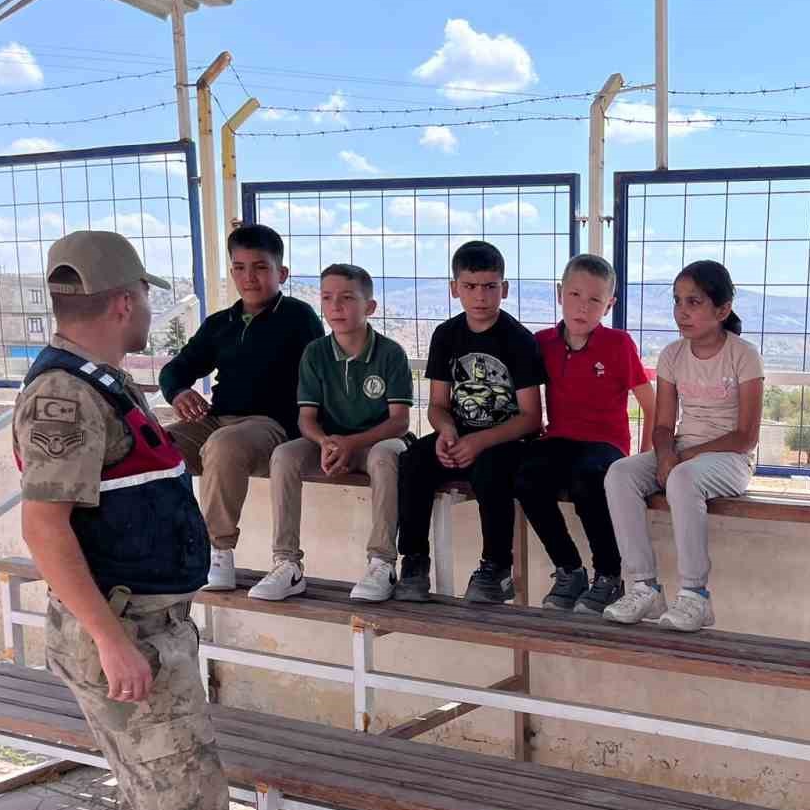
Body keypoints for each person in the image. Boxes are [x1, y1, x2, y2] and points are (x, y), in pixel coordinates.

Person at [14, 230, 284, 810]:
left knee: (146, 806)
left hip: (143, 629)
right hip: (127, 638)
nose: (153, 312)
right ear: (123, 302)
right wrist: (110, 640)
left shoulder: (100, 384)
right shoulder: (65, 394)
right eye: (148, 298)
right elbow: (43, 524)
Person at [602, 260, 763, 632]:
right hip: (682, 453)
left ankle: (695, 595)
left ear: (722, 310)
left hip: (730, 459)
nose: (682, 312)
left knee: (682, 479)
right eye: (678, 301)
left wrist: (678, 459)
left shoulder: (743, 355)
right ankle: (644, 587)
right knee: (620, 473)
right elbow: (661, 424)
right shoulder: (672, 354)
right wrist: (665, 454)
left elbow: (746, 436)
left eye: (694, 302)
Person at [160, 224, 323, 592]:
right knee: (155, 446)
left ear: (281, 273)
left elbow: (321, 377)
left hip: (272, 424)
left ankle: (217, 553)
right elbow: (175, 369)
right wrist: (179, 392)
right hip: (217, 419)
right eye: (239, 267)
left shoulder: (299, 318)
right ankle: (169, 543)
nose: (249, 277)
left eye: (260, 267)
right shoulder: (222, 323)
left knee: (224, 445)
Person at [248, 264, 415, 603]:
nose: (336, 306)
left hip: (376, 443)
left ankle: (382, 562)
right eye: (327, 298)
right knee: (284, 455)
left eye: (347, 297)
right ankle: (287, 563)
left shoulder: (390, 353)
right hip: (332, 443)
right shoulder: (316, 353)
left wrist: (350, 444)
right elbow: (306, 418)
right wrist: (325, 442)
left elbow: (400, 422)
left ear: (369, 307)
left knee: (385, 457)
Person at [394, 240, 545, 603]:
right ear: (454, 288)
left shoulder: (518, 340)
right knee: (413, 460)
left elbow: (531, 418)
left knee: (491, 470)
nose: (481, 296)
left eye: (491, 287)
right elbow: (437, 405)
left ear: (504, 289)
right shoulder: (446, 336)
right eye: (471, 286)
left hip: (507, 439)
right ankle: (413, 561)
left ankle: (496, 567)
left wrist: (478, 442)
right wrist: (446, 432)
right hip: (459, 432)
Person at [515, 254, 655, 613]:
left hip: (605, 446)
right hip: (560, 439)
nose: (583, 307)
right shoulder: (542, 342)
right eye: (575, 295)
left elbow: (651, 405)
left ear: (609, 305)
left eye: (595, 300)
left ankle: (609, 575)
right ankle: (569, 570)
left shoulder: (618, 344)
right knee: (526, 476)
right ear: (560, 293)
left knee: (587, 479)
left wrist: (643, 460)